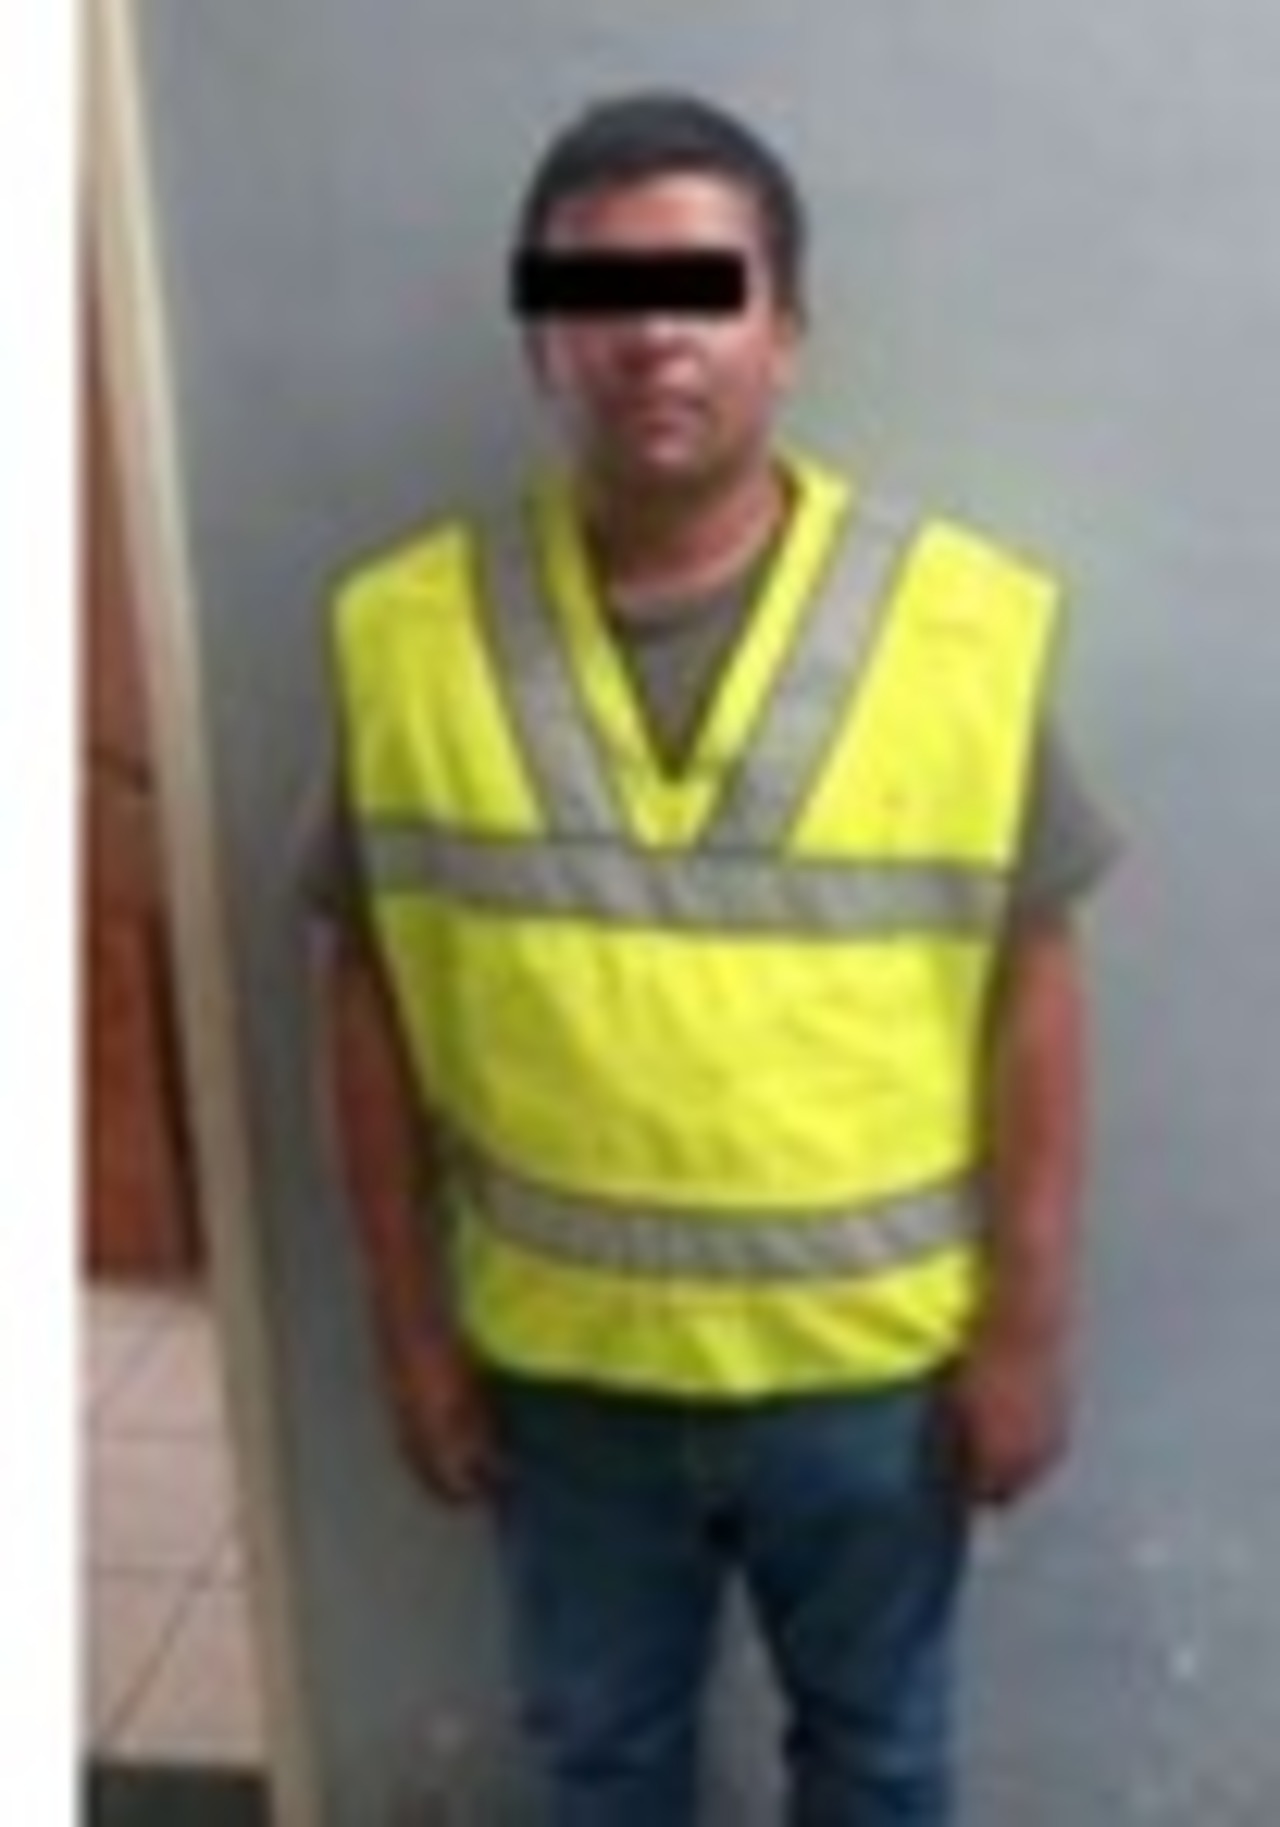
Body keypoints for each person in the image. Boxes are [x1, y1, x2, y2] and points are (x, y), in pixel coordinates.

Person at [313, 90, 1117, 1827]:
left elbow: (1034, 992)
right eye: (601, 293)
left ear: (787, 330)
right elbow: (367, 999)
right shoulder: (407, 634)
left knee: (880, 1768)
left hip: (871, 1385)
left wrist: (1030, 1331)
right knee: (602, 1769)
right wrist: (409, 1335)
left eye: (705, 287)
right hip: (565, 1385)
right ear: (543, 340)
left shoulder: (956, 629)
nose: (655, 336)